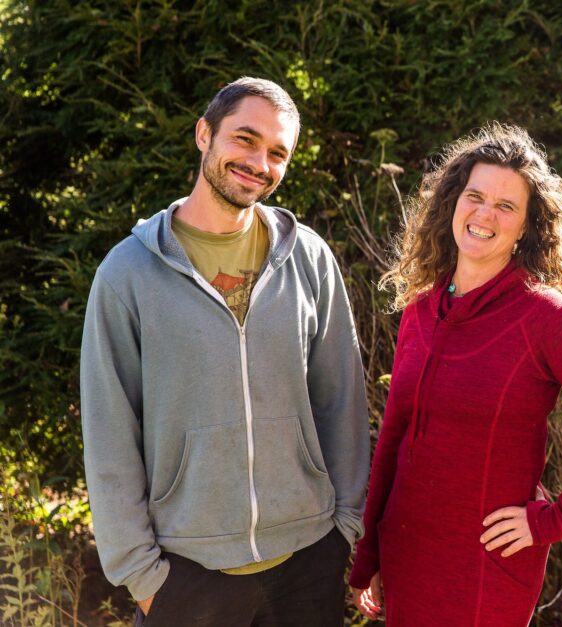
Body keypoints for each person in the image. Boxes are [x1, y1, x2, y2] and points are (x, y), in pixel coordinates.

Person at [80, 77, 369, 626]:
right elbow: (109, 432)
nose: (260, 162)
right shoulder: (129, 274)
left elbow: (342, 401)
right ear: (204, 134)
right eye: (245, 139)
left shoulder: (307, 259)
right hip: (186, 574)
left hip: (308, 564)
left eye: (277, 152)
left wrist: (344, 529)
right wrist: (143, 577)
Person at [347, 123, 562, 626]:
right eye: (475, 196)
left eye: (506, 206)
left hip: (488, 565)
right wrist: (370, 555)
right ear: (453, 203)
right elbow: (394, 438)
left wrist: (554, 520)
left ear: (527, 226)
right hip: (407, 551)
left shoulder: (544, 317)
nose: (485, 214)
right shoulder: (422, 310)